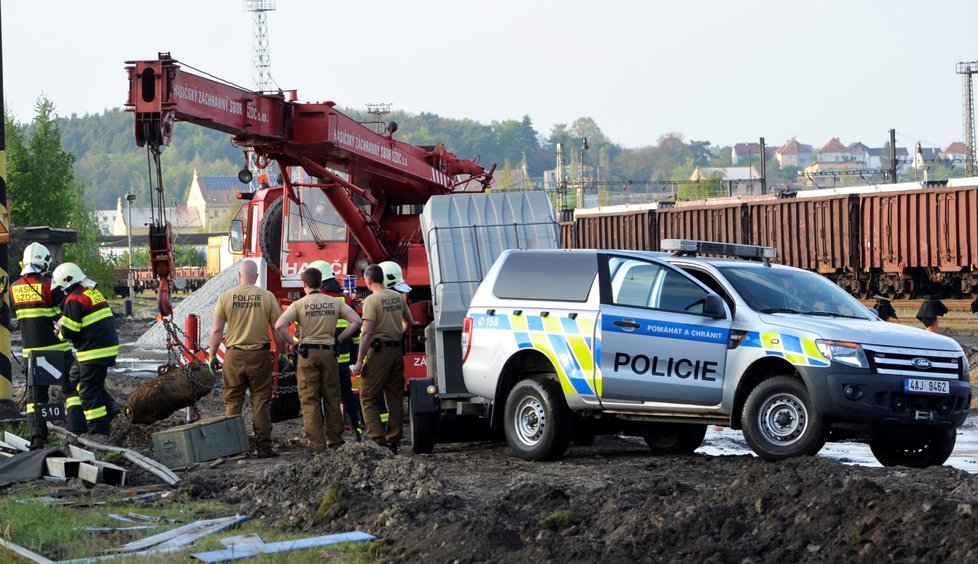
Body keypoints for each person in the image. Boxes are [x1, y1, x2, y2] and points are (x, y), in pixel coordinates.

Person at [274, 266, 360, 453]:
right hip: (329, 354)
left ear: (304, 284)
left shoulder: (298, 305)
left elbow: (279, 325)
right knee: (332, 397)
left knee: (310, 399)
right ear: (321, 283)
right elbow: (357, 321)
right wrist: (340, 338)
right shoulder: (334, 302)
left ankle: (317, 446)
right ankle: (336, 442)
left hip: (307, 355)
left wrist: (293, 344)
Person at [209, 260, 288, 458]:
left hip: (234, 356)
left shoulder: (226, 297)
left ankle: (233, 449)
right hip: (259, 356)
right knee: (261, 401)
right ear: (257, 277)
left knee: (233, 402)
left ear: (239, 275)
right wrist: (283, 353)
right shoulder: (267, 297)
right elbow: (278, 328)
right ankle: (263, 447)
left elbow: (217, 329)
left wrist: (211, 355)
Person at [11, 243, 82, 445]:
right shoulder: (49, 285)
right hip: (59, 350)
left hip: (32, 354)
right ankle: (77, 433)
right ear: (44, 261)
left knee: (36, 400)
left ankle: (37, 439)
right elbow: (64, 305)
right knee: (71, 393)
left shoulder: (14, 288)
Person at [51, 262, 119, 439]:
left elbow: (71, 331)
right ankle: (110, 406)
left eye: (61, 287)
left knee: (89, 392)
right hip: (102, 349)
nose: (61, 291)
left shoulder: (73, 300)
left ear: (68, 282)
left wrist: (59, 332)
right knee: (75, 376)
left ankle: (99, 432)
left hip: (93, 352)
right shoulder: (91, 292)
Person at [350, 261, 413, 453]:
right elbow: (408, 322)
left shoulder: (371, 301)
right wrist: (396, 334)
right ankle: (393, 440)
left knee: (368, 397)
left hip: (378, 353)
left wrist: (359, 362)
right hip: (396, 352)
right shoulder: (397, 296)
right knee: (394, 397)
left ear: (368, 280)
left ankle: (377, 441)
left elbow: (367, 333)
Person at [309, 260, 363, 442]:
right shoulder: (344, 298)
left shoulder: (318, 299)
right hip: (343, 358)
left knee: (321, 397)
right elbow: (355, 330)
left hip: (322, 357)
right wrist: (355, 355)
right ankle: (358, 433)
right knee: (347, 395)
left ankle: (324, 436)